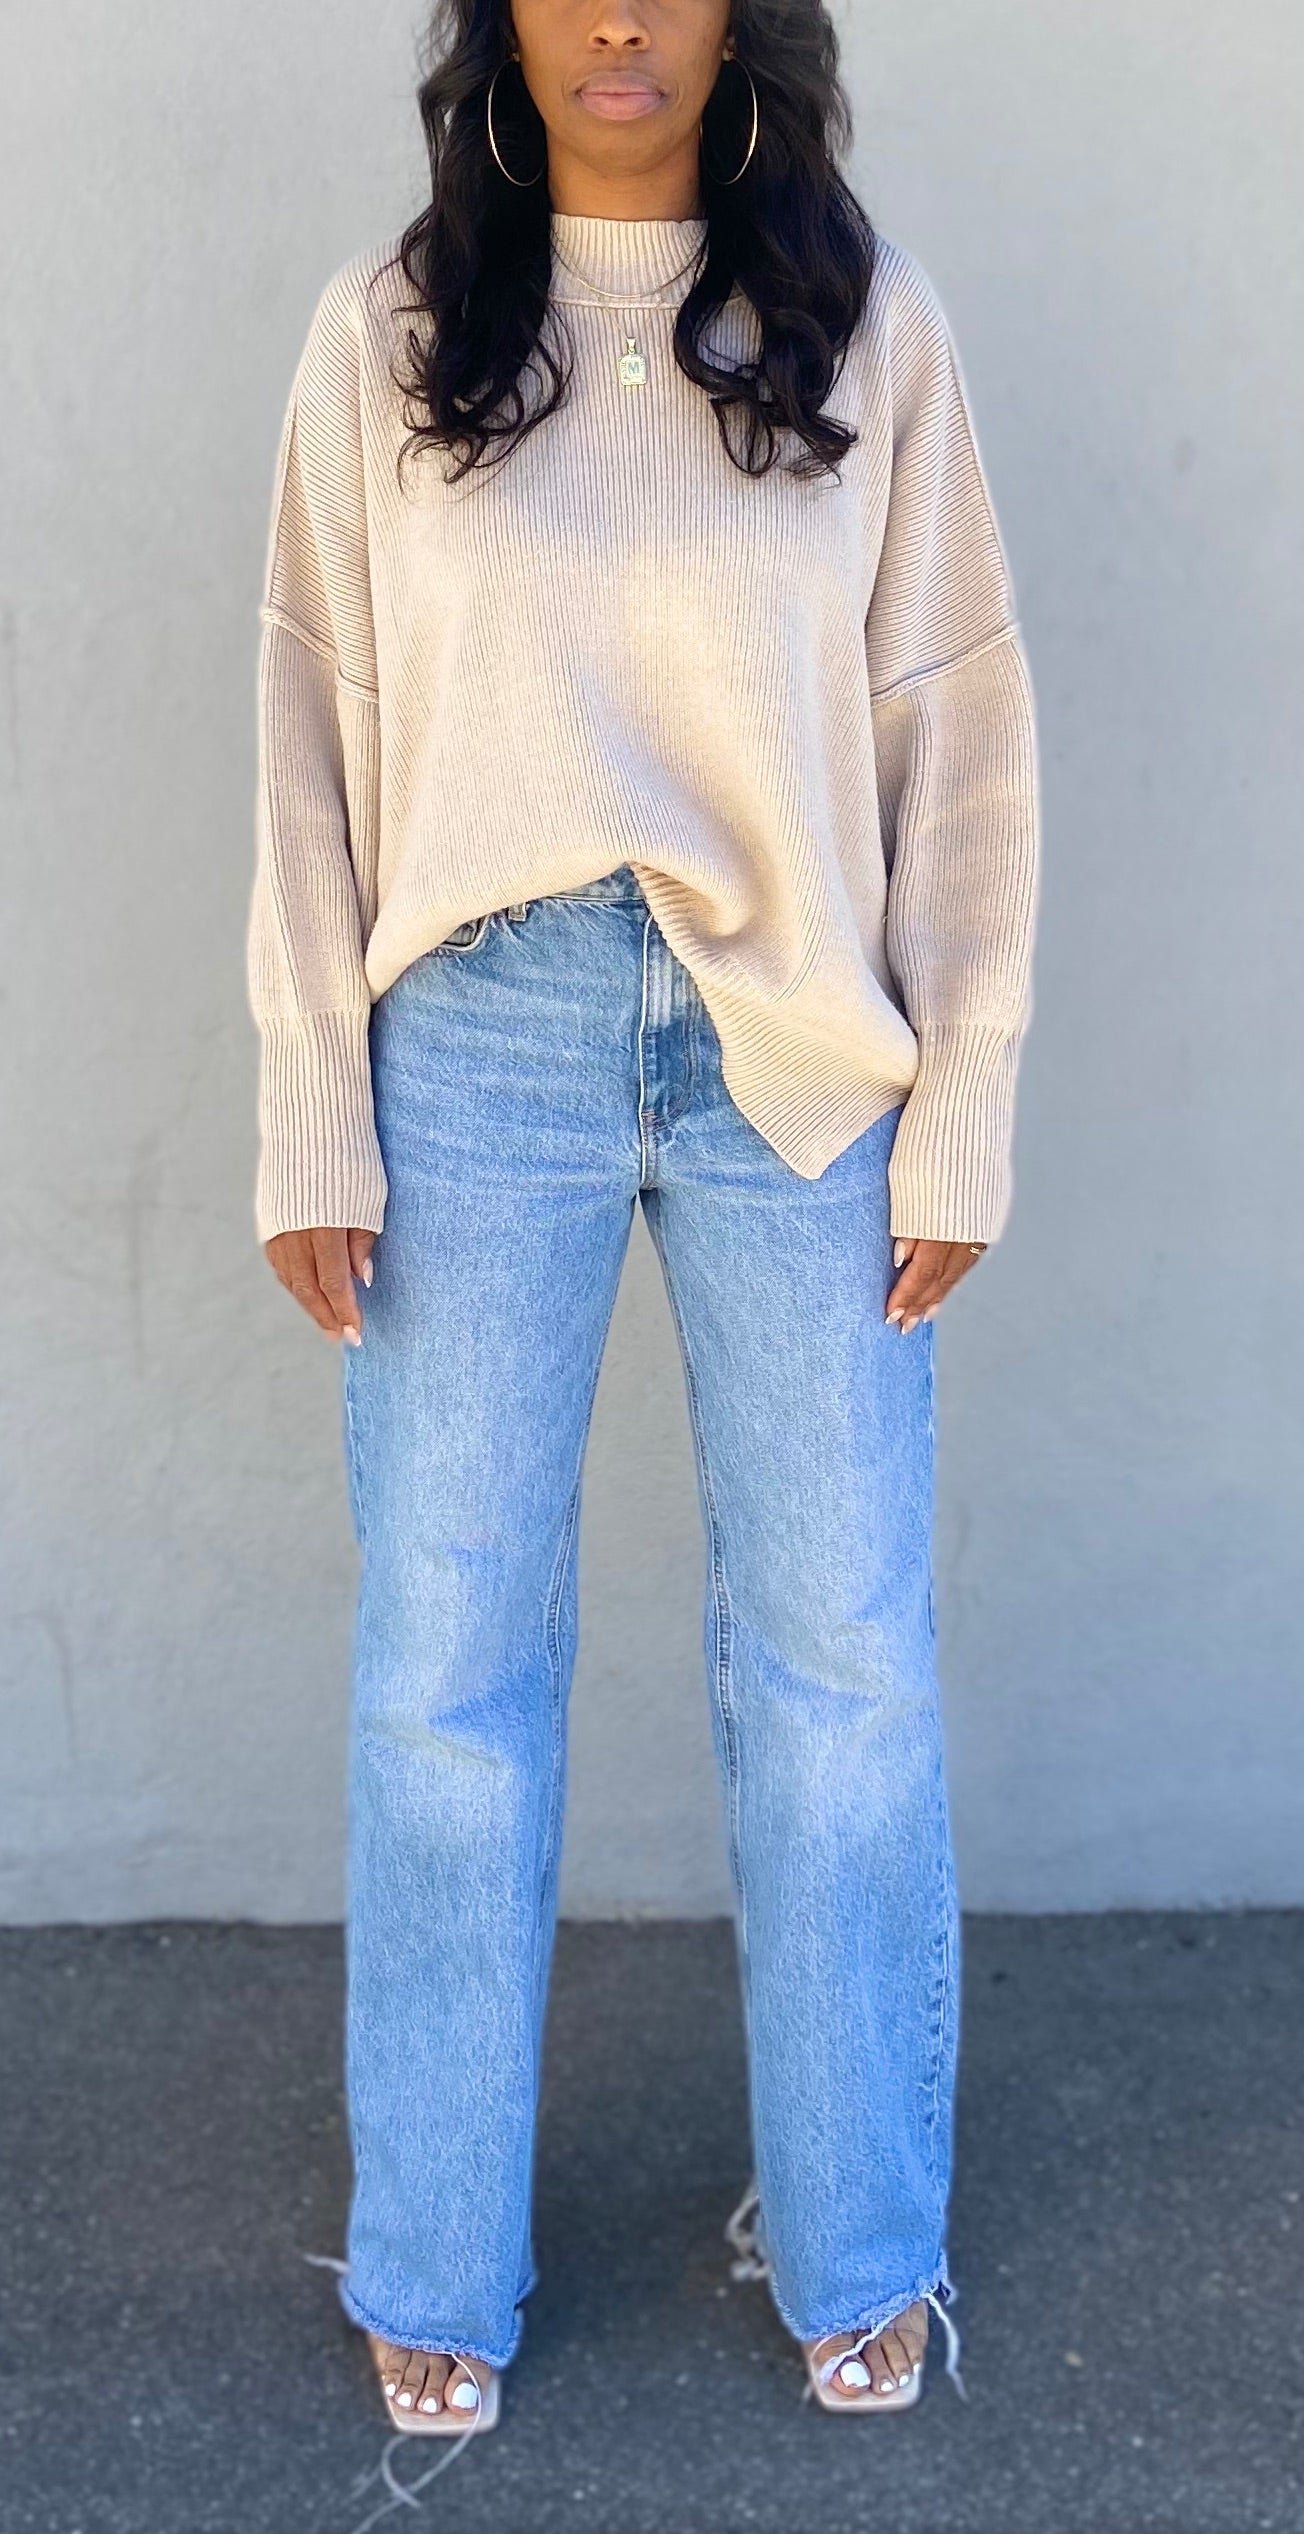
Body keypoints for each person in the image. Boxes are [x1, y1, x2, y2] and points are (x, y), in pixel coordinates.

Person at [246, 0, 1040, 2440]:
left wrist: (960, 1102)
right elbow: (304, 725)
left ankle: (860, 2241)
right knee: (446, 1669)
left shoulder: (858, 320)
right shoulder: (392, 330)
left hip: (790, 1043)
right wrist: (314, 1105)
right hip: (473, 1032)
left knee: (843, 1665)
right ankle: (433, 2258)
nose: (617, 17)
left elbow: (953, 726)